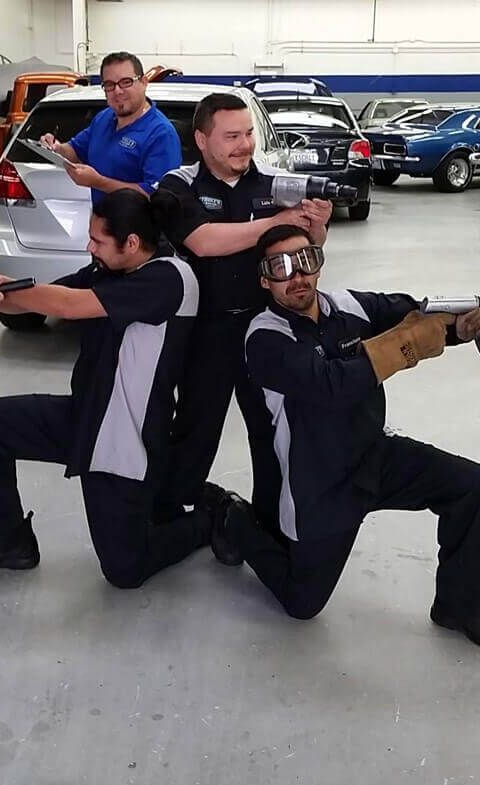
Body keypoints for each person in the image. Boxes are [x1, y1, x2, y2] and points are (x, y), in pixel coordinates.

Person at [224, 223, 480, 652]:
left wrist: (471, 322)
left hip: (373, 455)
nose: (297, 276)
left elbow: (416, 314)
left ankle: (462, 607)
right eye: (281, 266)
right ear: (264, 280)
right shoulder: (264, 335)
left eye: (306, 260)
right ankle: (230, 517)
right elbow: (328, 386)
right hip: (318, 480)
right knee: (302, 603)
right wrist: (404, 346)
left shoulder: (346, 306)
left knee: (467, 484)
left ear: (319, 264)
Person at [0, 190, 221, 588]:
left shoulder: (171, 278)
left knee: (125, 571)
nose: (89, 246)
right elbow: (39, 302)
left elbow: (72, 305)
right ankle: (11, 541)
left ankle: (210, 517)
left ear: (131, 243)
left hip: (127, 438)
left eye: (97, 240)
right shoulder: (106, 268)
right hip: (86, 414)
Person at [150, 92, 332, 544]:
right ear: (202, 139)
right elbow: (203, 242)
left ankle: (271, 526)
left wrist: (317, 225)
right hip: (203, 333)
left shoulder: (274, 185)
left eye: (248, 133)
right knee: (194, 430)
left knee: (274, 435)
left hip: (263, 330)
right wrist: (272, 224)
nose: (244, 145)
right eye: (231, 136)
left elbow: (306, 253)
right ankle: (173, 517)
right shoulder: (178, 186)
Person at [40, 51, 181, 204]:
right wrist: (56, 148)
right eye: (109, 85)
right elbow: (75, 151)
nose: (118, 91)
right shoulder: (103, 118)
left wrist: (98, 182)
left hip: (138, 227)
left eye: (126, 82)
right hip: (99, 225)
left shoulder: (161, 133)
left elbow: (157, 197)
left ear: (144, 82)